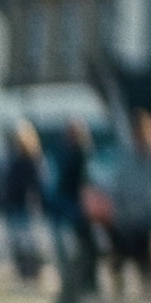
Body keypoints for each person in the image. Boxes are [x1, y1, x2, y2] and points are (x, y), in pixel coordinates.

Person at [102, 112, 151, 299]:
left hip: (148, 214)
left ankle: (149, 290)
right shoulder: (127, 155)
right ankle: (119, 290)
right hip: (126, 216)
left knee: (146, 257)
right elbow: (118, 183)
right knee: (120, 255)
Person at [50, 119, 98, 289]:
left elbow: (86, 181)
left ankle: (86, 281)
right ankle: (72, 279)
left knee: (83, 244)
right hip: (64, 202)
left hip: (78, 203)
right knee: (67, 244)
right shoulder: (62, 151)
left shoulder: (83, 154)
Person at [0, 122, 46, 281]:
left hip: (25, 205)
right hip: (12, 204)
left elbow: (36, 185)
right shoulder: (12, 157)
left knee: (29, 241)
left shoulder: (33, 160)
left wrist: (35, 202)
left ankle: (33, 272)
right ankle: (22, 272)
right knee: (17, 241)